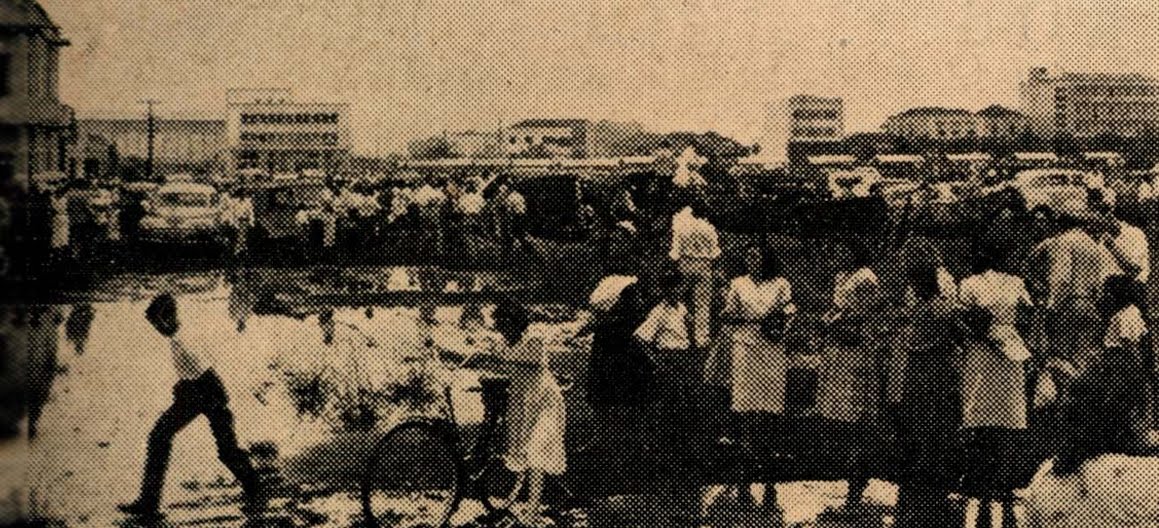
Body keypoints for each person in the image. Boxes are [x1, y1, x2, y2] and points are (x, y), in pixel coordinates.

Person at [120, 294, 263, 518]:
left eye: (158, 324)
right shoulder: (183, 336)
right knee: (162, 437)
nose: (157, 330)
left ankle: (256, 491)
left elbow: (205, 380)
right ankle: (149, 502)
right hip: (201, 393)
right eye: (154, 325)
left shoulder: (183, 342)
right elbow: (198, 372)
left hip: (208, 397)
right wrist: (182, 387)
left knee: (222, 450)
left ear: (168, 319)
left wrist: (183, 391)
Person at [956, 250, 1034, 528]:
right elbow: (1028, 317)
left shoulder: (969, 284)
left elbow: (962, 322)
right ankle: (998, 507)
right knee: (1003, 432)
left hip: (982, 358)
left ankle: (976, 508)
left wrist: (984, 326)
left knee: (980, 433)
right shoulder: (1016, 283)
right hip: (1007, 356)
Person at [719, 245, 795, 519]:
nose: (753, 261)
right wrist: (750, 318)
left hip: (772, 348)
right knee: (746, 409)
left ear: (767, 259)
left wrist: (778, 324)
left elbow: (790, 312)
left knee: (771, 409)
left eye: (758, 257)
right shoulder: (738, 283)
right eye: (749, 256)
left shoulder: (781, 283)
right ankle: (744, 474)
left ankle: (771, 473)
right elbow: (726, 314)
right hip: (746, 349)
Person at [894, 260, 966, 528]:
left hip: (928, 375)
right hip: (935, 376)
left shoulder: (930, 309)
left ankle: (927, 487)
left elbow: (923, 342)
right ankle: (931, 484)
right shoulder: (938, 307)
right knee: (931, 431)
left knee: (925, 430)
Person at [816, 243, 885, 515]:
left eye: (842, 249)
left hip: (856, 354)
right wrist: (829, 321)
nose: (838, 254)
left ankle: (857, 483)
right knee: (839, 421)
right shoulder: (841, 277)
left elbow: (864, 316)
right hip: (838, 355)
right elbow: (837, 310)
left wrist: (836, 323)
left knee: (857, 420)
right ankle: (849, 478)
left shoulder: (866, 277)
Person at [491, 300, 567, 527]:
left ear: (518, 323)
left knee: (536, 451)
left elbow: (518, 357)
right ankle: (525, 499)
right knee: (525, 452)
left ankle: (532, 514)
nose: (503, 330)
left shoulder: (535, 340)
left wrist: (494, 351)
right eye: (500, 325)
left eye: (507, 324)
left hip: (544, 402)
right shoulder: (506, 342)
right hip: (522, 402)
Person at [633, 273, 699, 522]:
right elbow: (640, 338)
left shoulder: (682, 308)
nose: (676, 293)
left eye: (680, 288)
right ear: (664, 290)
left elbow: (689, 337)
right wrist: (657, 362)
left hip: (682, 361)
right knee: (665, 411)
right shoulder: (659, 311)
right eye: (671, 289)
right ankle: (660, 461)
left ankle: (679, 458)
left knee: (683, 410)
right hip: (668, 360)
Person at [669, 197, 721, 351]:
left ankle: (679, 334)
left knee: (680, 302)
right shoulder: (709, 228)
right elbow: (715, 253)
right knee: (702, 305)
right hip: (704, 265)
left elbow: (675, 251)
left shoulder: (682, 224)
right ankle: (701, 339)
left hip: (685, 263)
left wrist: (674, 266)